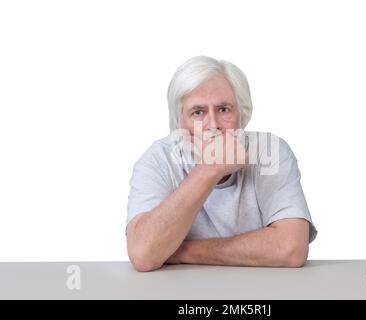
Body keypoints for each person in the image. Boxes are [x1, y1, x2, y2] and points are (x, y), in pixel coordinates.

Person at [126, 56, 317, 271]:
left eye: (224, 109)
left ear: (241, 115)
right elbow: (143, 254)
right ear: (179, 122)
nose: (213, 125)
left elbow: (291, 249)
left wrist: (183, 252)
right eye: (198, 112)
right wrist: (211, 168)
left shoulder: (270, 151)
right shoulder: (157, 159)